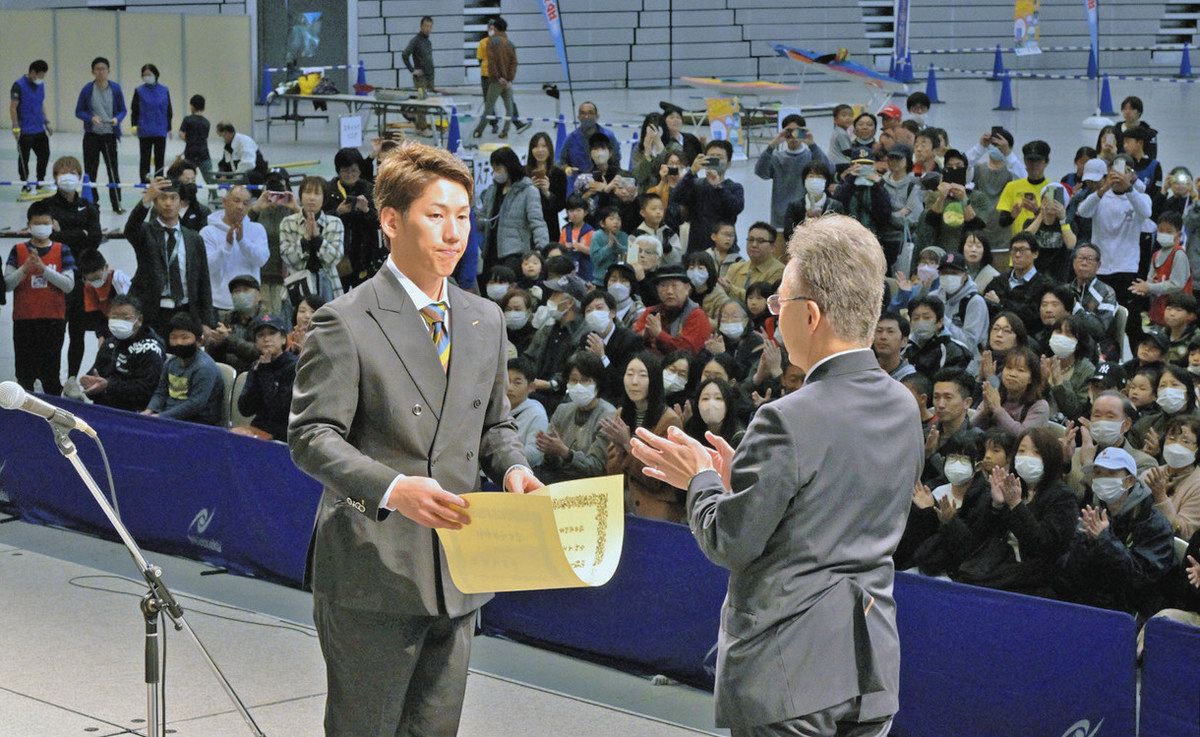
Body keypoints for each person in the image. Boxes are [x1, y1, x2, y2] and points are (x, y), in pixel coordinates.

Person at [630, 213, 922, 737]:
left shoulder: (786, 417)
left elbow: (731, 540)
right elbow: (833, 500)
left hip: (790, 670)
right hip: (870, 662)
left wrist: (702, 481)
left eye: (779, 303)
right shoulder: (903, 405)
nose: (772, 315)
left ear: (809, 316)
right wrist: (738, 477)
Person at [288, 143, 538, 735]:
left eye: (463, 216)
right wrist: (394, 488)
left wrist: (513, 469)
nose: (454, 233)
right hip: (373, 570)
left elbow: (494, 425)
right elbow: (310, 437)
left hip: (458, 569)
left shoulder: (484, 318)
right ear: (391, 220)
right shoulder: (344, 320)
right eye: (436, 215)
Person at [954, 426, 1079, 596]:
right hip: (998, 563)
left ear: (1050, 457)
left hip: (1035, 578)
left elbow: (1044, 545)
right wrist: (996, 505)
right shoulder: (1010, 485)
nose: (1027, 457)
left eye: (1036, 452)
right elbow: (980, 537)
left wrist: (1016, 505)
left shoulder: (1063, 497)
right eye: (1021, 451)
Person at [1057, 446, 1174, 616]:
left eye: (1110, 474)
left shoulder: (1154, 524)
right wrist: (1085, 541)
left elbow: (1140, 580)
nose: (1102, 479)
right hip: (1089, 604)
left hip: (1132, 611)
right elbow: (1068, 572)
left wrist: (1104, 540)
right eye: (1098, 473)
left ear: (1130, 481)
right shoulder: (1092, 513)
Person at [124, 177, 215, 336]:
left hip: (186, 311)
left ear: (181, 203)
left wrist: (207, 322)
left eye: (173, 198)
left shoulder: (194, 238)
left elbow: (203, 281)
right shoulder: (146, 232)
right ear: (155, 202)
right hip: (154, 313)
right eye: (163, 198)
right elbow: (130, 228)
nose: (168, 203)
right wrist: (146, 199)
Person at [43, 155, 103, 393]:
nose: (67, 177)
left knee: (76, 333)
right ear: (55, 177)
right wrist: (81, 233)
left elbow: (96, 238)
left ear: (79, 177)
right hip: (54, 280)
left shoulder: (88, 207)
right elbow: (47, 237)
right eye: (62, 172)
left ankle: (71, 380)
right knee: (54, 334)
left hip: (80, 281)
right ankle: (49, 380)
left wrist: (62, 233)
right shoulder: (46, 206)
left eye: (72, 173)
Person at [601, 351, 685, 520]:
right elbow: (612, 474)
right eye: (629, 374)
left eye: (642, 375)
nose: (634, 381)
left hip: (654, 504)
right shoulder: (621, 413)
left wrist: (627, 445)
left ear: (653, 381)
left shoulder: (669, 420)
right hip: (623, 500)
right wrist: (618, 451)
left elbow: (656, 479)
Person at [5, 200, 75, 395]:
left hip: (53, 320)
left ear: (52, 223)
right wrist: (26, 268)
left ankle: (53, 415)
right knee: (25, 374)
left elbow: (69, 285)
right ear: (29, 225)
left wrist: (43, 269)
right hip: (24, 320)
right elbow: (7, 284)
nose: (42, 227)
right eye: (37, 223)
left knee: (51, 375)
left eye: (46, 223)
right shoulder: (18, 250)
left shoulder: (63, 250)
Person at [1076, 155, 1154, 305]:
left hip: (1127, 267)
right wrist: (1104, 188)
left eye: (1125, 171)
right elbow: (1083, 211)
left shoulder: (1141, 197)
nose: (1119, 175)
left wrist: (1129, 188)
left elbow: (1146, 213)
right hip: (1100, 267)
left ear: (1132, 174)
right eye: (1115, 170)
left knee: (1125, 314)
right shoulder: (1100, 197)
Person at [533, 350, 616, 484]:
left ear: (598, 383)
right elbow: (550, 464)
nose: (578, 386)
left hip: (589, 486)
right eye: (574, 380)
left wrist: (566, 453)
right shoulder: (562, 410)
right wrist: (550, 450)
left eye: (585, 381)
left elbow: (597, 468)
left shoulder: (609, 416)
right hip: (558, 481)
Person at [1063, 390, 1156, 500]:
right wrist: (1065, 461)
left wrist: (1088, 466)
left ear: (1126, 425)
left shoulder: (1143, 463)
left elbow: (1123, 503)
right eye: (1097, 415)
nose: (1102, 421)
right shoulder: (1075, 455)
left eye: (1110, 416)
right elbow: (1068, 498)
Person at [80, 294, 164, 411]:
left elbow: (147, 388)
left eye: (126, 318)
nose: (119, 322)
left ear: (139, 320)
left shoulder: (151, 348)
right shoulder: (110, 342)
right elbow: (97, 372)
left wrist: (109, 386)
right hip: (102, 409)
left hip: (133, 414)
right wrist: (89, 383)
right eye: (114, 317)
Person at [755, 114, 832, 233]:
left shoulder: (812, 155)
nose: (794, 136)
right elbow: (760, 172)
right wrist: (772, 145)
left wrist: (812, 145)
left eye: (798, 132)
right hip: (781, 218)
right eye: (789, 132)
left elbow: (829, 170)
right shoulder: (777, 157)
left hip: (808, 214)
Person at [143, 312, 224, 425]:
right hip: (169, 418)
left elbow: (195, 404)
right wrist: (148, 411)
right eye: (173, 337)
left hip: (197, 423)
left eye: (184, 337)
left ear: (199, 341)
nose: (178, 342)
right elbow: (161, 391)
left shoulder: (204, 367)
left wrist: (161, 416)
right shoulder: (170, 362)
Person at [201, 185, 269, 314]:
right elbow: (207, 268)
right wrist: (226, 246)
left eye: (245, 203)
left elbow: (262, 260)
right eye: (236, 201)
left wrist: (242, 241)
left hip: (251, 303)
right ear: (224, 202)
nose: (240, 207)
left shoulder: (257, 229)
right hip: (219, 303)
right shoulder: (208, 232)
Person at [673, 139, 746, 253]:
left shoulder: (734, 187)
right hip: (698, 249)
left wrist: (718, 186)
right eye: (711, 156)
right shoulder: (696, 184)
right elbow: (676, 197)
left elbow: (736, 207)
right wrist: (691, 172)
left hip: (726, 249)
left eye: (720, 157)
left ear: (728, 164)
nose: (715, 160)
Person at [75, 56, 126, 213]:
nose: (101, 72)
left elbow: (123, 110)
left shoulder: (115, 89)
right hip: (92, 136)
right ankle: (92, 204)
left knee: (113, 171)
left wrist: (117, 119)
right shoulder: (87, 89)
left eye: (103, 69)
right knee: (91, 171)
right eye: (97, 69)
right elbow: (78, 111)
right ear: (92, 72)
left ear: (108, 71)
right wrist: (91, 118)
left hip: (109, 135)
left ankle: (116, 203)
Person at [281, 175, 345, 301]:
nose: (311, 198)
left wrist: (317, 239)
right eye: (307, 192)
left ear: (324, 198)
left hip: (328, 285)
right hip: (297, 286)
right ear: (301, 196)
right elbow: (288, 258)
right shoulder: (288, 222)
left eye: (317, 193)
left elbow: (334, 258)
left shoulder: (334, 222)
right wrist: (304, 240)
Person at [234, 314, 297, 441]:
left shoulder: (294, 367)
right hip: (260, 428)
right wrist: (260, 371)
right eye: (261, 335)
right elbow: (245, 409)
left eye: (272, 333)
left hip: (285, 433)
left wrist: (265, 371)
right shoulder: (258, 365)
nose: (266, 339)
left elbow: (279, 411)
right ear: (256, 342)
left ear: (284, 339)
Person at [248, 168, 300, 314]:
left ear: (287, 186)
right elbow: (241, 229)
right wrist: (256, 209)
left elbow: (308, 229)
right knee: (264, 318)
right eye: (271, 185)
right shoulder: (258, 208)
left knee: (282, 316)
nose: (275, 190)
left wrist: (296, 208)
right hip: (261, 275)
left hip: (286, 276)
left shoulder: (293, 209)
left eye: (279, 185)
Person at [632, 265, 713, 355]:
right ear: (657, 290)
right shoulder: (651, 312)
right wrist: (645, 335)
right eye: (663, 286)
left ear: (687, 288)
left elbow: (688, 350)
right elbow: (632, 339)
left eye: (674, 286)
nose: (669, 291)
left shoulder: (696, 315)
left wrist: (659, 334)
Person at [577, 290, 642, 403]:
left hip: (617, 399)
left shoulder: (630, 340)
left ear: (612, 313)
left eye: (599, 308)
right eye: (589, 310)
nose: (594, 313)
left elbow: (622, 382)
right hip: (590, 395)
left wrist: (602, 357)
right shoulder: (586, 338)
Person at [983, 233, 1056, 332]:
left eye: (1022, 250)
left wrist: (1001, 304)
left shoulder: (1045, 286)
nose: (1017, 255)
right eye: (1014, 250)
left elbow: (1033, 317)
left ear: (1035, 254)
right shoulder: (998, 281)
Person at [473, 17, 530, 139]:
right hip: (507, 83)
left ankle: (479, 131)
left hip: (496, 82)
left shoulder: (491, 42)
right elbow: (514, 63)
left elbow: (491, 63)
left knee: (488, 108)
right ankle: (505, 132)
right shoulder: (510, 43)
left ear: (496, 28)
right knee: (509, 108)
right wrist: (509, 79)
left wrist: (498, 78)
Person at [1144, 415, 1200, 539]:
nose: (1176, 446)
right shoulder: (1149, 473)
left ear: (1197, 449)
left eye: (1186, 442)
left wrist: (1161, 498)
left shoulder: (1197, 485)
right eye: (1172, 438)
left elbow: (1183, 533)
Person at [972, 346, 1048, 433]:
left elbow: (1023, 436)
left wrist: (997, 409)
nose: (1012, 374)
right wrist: (985, 411)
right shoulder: (995, 394)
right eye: (1009, 368)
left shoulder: (1040, 406)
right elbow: (970, 428)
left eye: (1020, 370)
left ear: (1031, 378)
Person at [10, 59, 53, 198]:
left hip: (39, 129)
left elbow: (41, 104)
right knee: (24, 158)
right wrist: (15, 126)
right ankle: (25, 185)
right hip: (25, 130)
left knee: (44, 154)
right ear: (32, 72)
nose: (41, 78)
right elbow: (13, 107)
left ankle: (40, 183)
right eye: (40, 75)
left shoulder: (40, 85)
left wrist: (46, 122)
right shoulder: (18, 85)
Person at [904, 296, 973, 380]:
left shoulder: (954, 350)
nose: (921, 322)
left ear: (940, 322)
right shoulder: (905, 348)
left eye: (926, 318)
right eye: (916, 318)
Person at [1044, 314, 1096, 420]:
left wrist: (1059, 383)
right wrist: (1042, 382)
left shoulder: (1087, 371)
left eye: (1068, 334)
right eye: (1058, 332)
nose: (1061, 337)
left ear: (1079, 343)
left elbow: (1076, 413)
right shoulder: (1044, 362)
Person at [935, 252, 989, 353]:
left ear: (964, 275)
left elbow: (970, 343)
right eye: (944, 273)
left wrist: (943, 320)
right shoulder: (934, 297)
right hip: (937, 358)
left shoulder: (975, 302)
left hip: (966, 363)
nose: (948, 277)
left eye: (954, 273)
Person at [722, 222, 784, 303]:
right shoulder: (735, 268)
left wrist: (731, 289)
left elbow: (762, 300)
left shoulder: (780, 270)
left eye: (760, 241)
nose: (754, 245)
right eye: (751, 240)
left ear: (772, 247)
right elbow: (721, 296)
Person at [130, 64, 172, 183]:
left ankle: (159, 183)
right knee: (145, 159)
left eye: (149, 74)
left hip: (160, 130)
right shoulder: (139, 91)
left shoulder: (164, 90)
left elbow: (169, 110)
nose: (146, 77)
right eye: (144, 75)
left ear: (156, 74)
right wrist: (134, 125)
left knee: (159, 159)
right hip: (144, 130)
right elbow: (135, 110)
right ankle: (145, 183)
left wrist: (168, 127)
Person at [526, 132, 568, 242]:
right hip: (527, 225)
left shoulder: (558, 173)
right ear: (531, 150)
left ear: (550, 148)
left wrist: (547, 193)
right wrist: (530, 188)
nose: (540, 150)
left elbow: (561, 205)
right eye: (536, 146)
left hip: (549, 225)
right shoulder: (524, 173)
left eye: (544, 146)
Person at [558, 101, 620, 176]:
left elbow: (616, 159)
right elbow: (562, 161)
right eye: (583, 113)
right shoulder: (570, 139)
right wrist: (567, 169)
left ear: (597, 116)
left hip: (604, 182)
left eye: (590, 113)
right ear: (578, 117)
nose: (586, 116)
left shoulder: (609, 136)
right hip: (577, 183)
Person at [401, 16, 435, 134]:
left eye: (430, 26)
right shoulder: (416, 40)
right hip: (420, 78)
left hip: (429, 77)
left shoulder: (428, 41)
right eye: (426, 26)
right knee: (422, 103)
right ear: (421, 26)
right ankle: (422, 128)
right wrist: (412, 69)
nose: (428, 28)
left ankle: (419, 125)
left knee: (426, 102)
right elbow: (405, 54)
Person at [178, 95, 214, 199]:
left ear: (192, 106)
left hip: (190, 153)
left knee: (187, 178)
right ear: (203, 107)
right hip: (204, 154)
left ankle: (186, 196)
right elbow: (204, 137)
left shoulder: (187, 120)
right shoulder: (207, 122)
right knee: (209, 179)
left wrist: (189, 141)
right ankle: (214, 196)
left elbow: (181, 134)